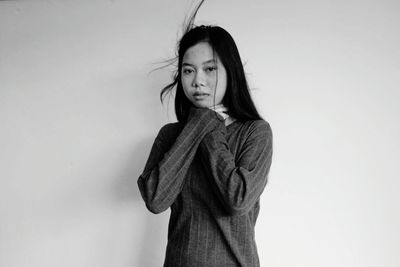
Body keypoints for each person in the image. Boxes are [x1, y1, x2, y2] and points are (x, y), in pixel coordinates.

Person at [137, 4, 273, 266]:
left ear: (230, 73)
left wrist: (207, 124)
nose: (198, 80)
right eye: (188, 70)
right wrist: (200, 122)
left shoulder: (255, 132)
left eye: (210, 69)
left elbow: (237, 200)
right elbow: (155, 199)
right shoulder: (170, 135)